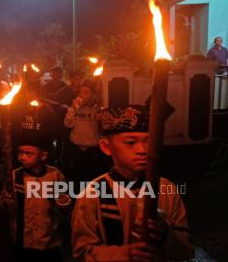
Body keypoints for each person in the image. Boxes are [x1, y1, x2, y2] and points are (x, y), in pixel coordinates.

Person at [71, 105, 194, 261]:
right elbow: (82, 251)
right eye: (130, 142)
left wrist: (166, 233)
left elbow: (187, 251)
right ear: (106, 147)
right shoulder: (92, 193)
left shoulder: (166, 189)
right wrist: (125, 254)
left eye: (148, 141)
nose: (142, 150)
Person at [0, 128, 66, 262]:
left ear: (43, 156)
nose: (22, 157)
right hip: (23, 239)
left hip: (48, 239)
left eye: (29, 153)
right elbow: (5, 204)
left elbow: (63, 202)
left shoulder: (55, 175)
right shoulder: (14, 176)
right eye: (20, 152)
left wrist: (64, 202)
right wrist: (5, 201)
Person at [62, 79, 110, 182]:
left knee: (93, 179)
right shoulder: (75, 108)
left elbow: (104, 131)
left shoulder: (98, 110)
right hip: (77, 150)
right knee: (77, 179)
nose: (82, 95)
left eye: (86, 92)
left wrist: (102, 119)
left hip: (93, 151)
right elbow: (67, 124)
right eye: (80, 92)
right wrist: (73, 109)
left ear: (93, 96)